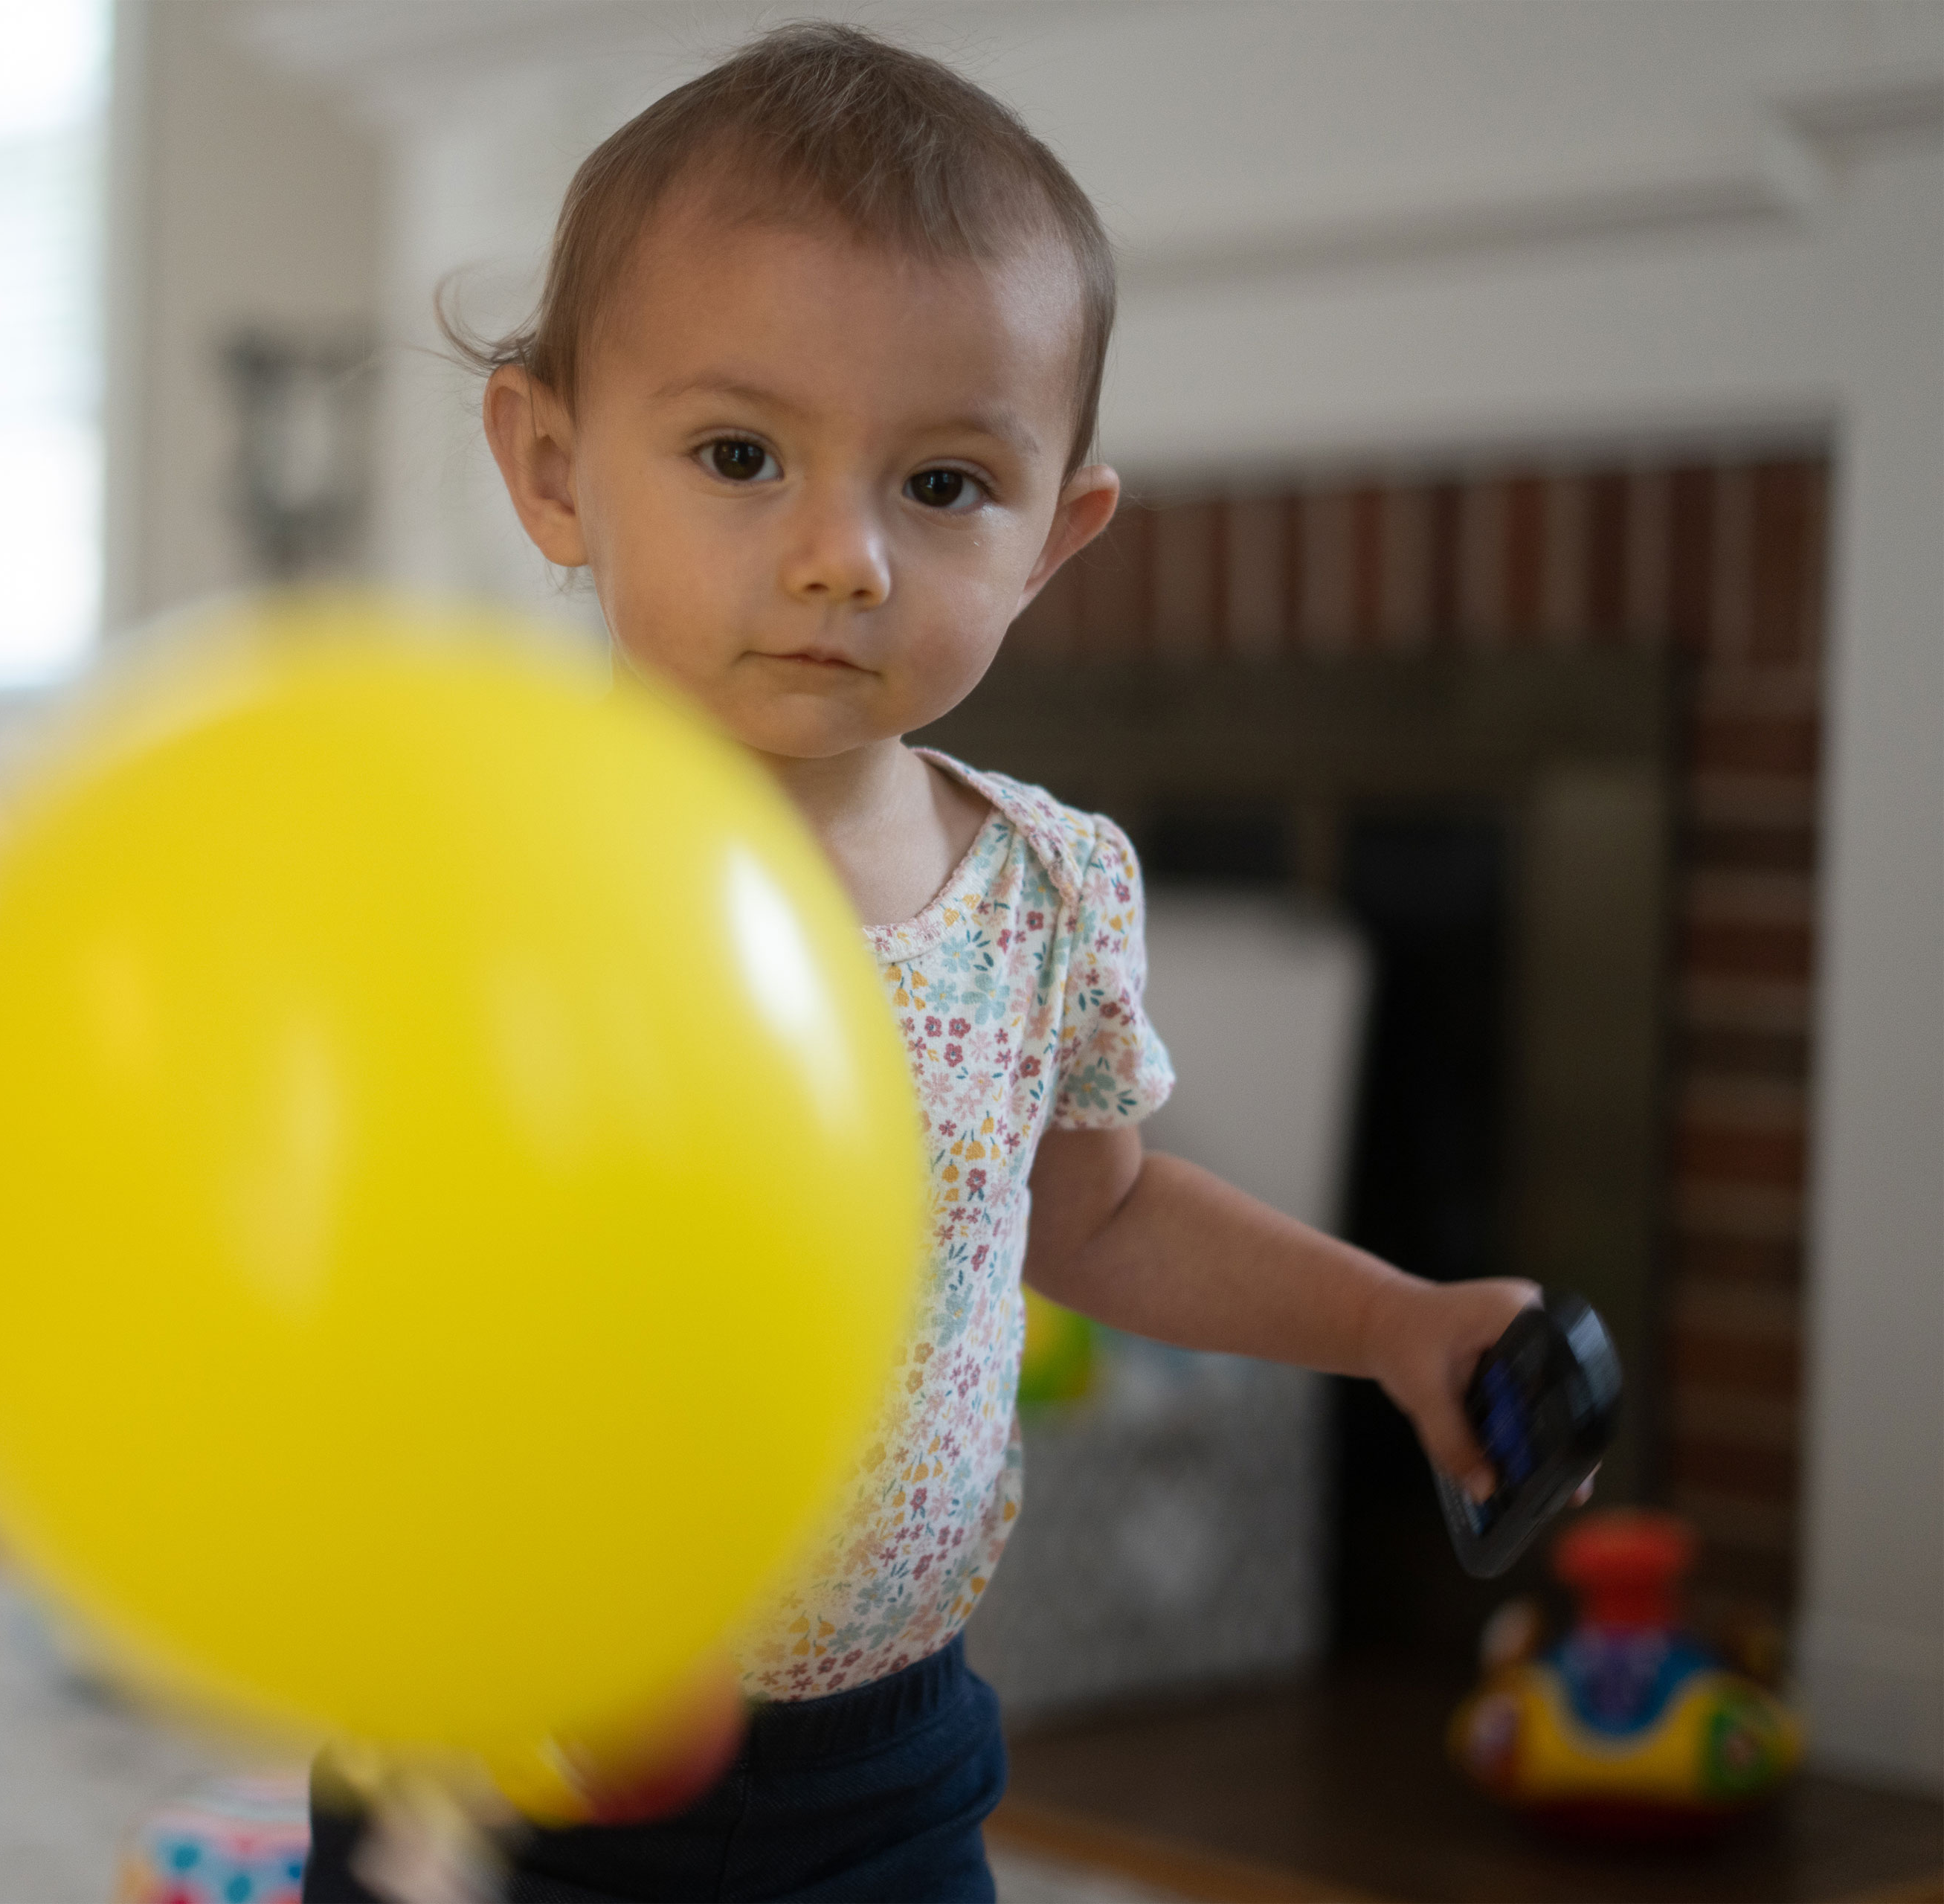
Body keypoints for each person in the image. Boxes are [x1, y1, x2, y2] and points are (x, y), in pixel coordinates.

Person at [309, 24, 1551, 1902]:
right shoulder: (487, 863)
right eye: (742, 454)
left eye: (945, 485)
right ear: (555, 469)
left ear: (1058, 533)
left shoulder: (1046, 891)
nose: (842, 557)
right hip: (503, 1744)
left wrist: (1393, 1323)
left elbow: (1101, 1216)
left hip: (880, 1757)